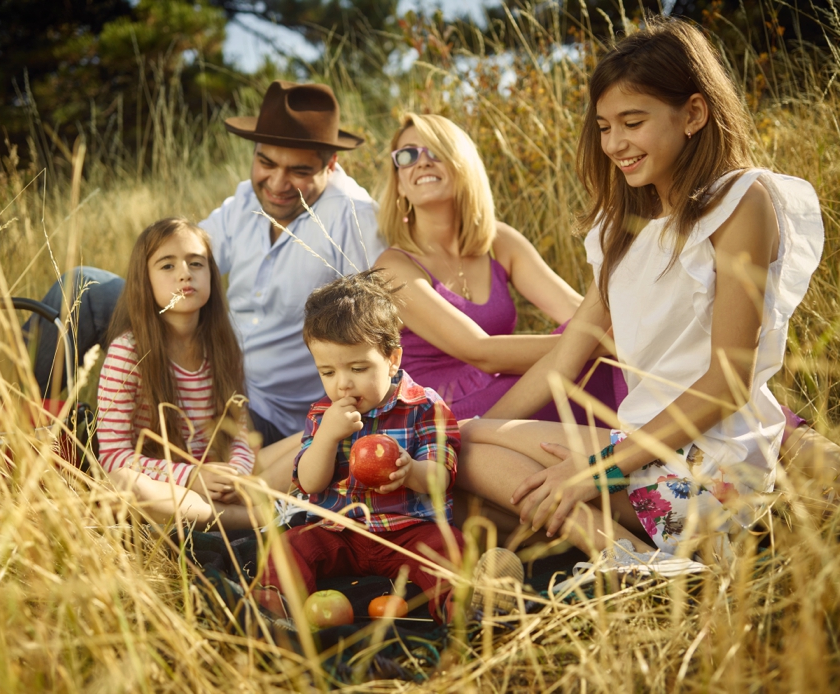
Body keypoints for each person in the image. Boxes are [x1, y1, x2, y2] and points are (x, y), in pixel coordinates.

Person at [454, 17, 824, 562]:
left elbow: (727, 381)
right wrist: (478, 426)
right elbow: (564, 360)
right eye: (604, 126)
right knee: (459, 453)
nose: (615, 144)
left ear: (694, 113)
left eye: (632, 122)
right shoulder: (619, 232)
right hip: (638, 450)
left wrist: (596, 474)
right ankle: (639, 563)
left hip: (712, 463)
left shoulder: (742, 202)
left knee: (487, 473)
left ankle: (638, 565)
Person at [29, 81, 385, 447]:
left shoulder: (355, 219)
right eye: (265, 162)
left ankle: (85, 450)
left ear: (331, 163)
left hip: (268, 415)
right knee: (83, 288)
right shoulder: (246, 198)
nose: (277, 183)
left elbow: (386, 330)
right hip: (206, 362)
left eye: (299, 170)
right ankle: (16, 427)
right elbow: (186, 256)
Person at [373, 113, 624, 425]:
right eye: (407, 155)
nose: (422, 162)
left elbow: (580, 311)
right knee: (596, 345)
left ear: (463, 165)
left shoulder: (499, 241)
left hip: (502, 381)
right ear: (398, 183)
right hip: (442, 403)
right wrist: (605, 342)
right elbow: (480, 351)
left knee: (597, 336)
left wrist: (616, 334)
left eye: (436, 150)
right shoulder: (394, 266)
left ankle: (639, 445)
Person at [256, 271, 463, 623]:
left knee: (449, 547)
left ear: (393, 359)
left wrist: (411, 470)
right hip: (339, 532)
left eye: (358, 367)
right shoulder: (323, 414)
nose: (343, 384)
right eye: (328, 372)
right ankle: (274, 611)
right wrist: (326, 438)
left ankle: (461, 610)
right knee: (291, 546)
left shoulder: (424, 407)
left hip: (407, 532)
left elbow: (441, 477)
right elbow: (309, 483)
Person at [97, 218, 284, 528]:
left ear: (211, 273)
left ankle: (243, 509)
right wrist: (193, 477)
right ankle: (253, 518)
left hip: (222, 480)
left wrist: (234, 472)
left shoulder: (223, 346)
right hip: (166, 486)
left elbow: (237, 435)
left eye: (196, 263)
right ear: (146, 280)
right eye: (167, 266)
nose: (185, 273)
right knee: (124, 483)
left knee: (311, 438)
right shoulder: (128, 351)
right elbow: (114, 457)